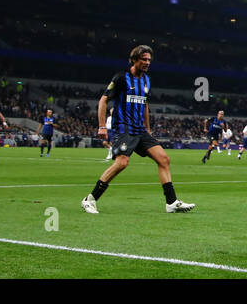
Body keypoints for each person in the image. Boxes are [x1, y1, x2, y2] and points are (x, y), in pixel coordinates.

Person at [82, 46, 194, 214]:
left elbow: (145, 104)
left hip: (140, 129)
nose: (147, 63)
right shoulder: (121, 78)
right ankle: (90, 200)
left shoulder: (146, 80)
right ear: (134, 60)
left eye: (149, 60)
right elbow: (103, 100)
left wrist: (148, 129)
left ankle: (171, 202)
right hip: (124, 128)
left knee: (163, 159)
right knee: (122, 162)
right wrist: (102, 126)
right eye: (144, 59)